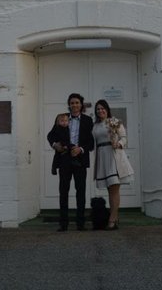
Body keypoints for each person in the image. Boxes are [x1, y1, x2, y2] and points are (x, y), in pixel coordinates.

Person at [47, 93, 94, 231]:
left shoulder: (87, 120)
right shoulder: (63, 118)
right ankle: (63, 224)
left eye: (77, 103)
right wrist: (55, 145)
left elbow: (91, 143)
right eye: (72, 103)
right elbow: (50, 136)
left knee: (81, 192)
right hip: (64, 160)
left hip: (80, 160)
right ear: (69, 105)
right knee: (63, 192)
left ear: (81, 105)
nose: (74, 105)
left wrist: (80, 149)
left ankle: (80, 224)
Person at [93, 99, 134, 230]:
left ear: (107, 109)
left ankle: (112, 219)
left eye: (102, 108)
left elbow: (124, 138)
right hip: (102, 156)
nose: (100, 110)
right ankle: (114, 216)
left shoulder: (114, 122)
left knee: (114, 189)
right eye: (98, 109)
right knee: (110, 189)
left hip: (114, 155)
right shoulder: (95, 125)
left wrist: (119, 144)